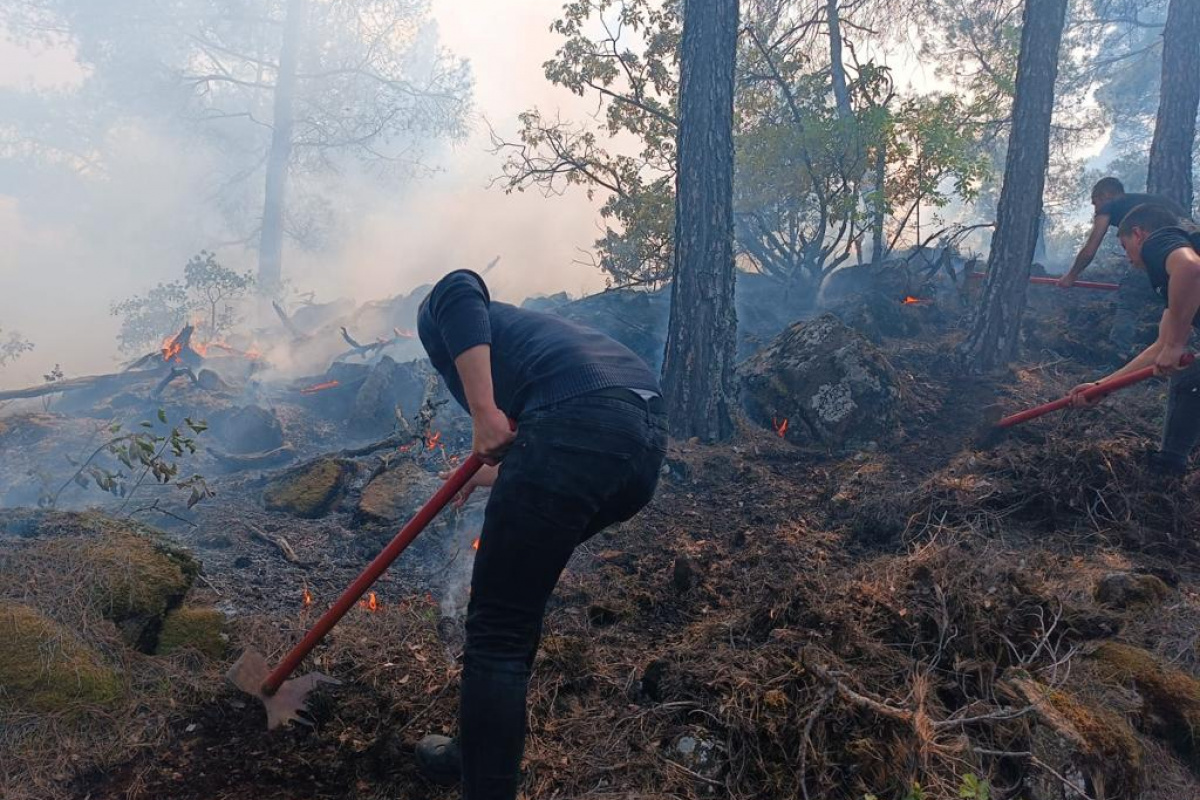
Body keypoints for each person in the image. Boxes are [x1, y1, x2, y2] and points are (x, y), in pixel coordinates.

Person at [413, 269, 668, 799]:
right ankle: (480, 751)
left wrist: (483, 413)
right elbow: (565, 436)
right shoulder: (541, 343)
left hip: (578, 427)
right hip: (639, 446)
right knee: (514, 605)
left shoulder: (447, 319)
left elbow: (457, 286)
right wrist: (496, 468)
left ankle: (481, 778)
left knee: (498, 630)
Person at [1069, 203, 1200, 477]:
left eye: (1124, 244)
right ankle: (1169, 467)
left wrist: (1176, 345)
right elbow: (1160, 348)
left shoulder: (1159, 241)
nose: (1127, 257)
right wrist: (1102, 386)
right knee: (1190, 378)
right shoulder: (1169, 279)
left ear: (1138, 234)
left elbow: (1190, 268)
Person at [1059, 178, 1190, 354]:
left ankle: (1119, 352)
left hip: (1169, 250)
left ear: (1106, 195)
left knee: (1129, 295)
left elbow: (1091, 246)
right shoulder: (1145, 201)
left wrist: (1071, 276)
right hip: (1190, 245)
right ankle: (1182, 347)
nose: (1096, 209)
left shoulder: (1110, 205)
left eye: (1095, 203)